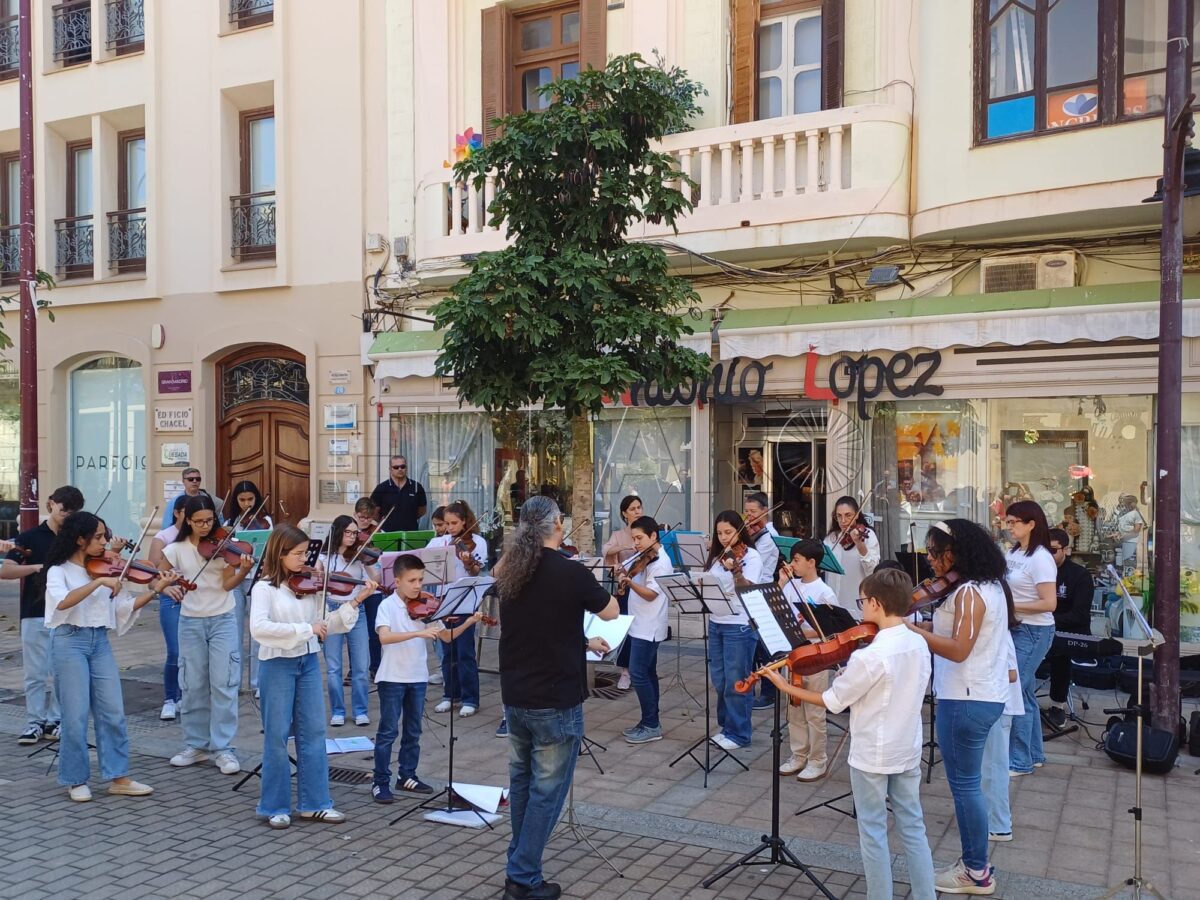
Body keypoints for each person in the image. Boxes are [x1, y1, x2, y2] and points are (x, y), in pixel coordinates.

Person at [764, 569, 936, 900]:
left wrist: (786, 686)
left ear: (875, 602)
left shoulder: (870, 655)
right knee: (913, 828)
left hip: (872, 752)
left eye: (862, 602)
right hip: (907, 746)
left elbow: (834, 701)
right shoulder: (917, 642)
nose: (861, 608)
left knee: (873, 832)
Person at [496, 496, 618, 900]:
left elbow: (540, 624)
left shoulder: (508, 569)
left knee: (523, 784)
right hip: (554, 697)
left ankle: (521, 862)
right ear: (557, 525)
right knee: (547, 792)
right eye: (562, 521)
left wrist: (580, 636)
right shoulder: (570, 571)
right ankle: (523, 874)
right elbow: (612, 611)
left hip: (515, 694)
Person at [906, 519, 1013, 895]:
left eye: (935, 552)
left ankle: (976, 871)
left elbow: (959, 648)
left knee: (966, 789)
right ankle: (974, 863)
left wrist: (914, 631)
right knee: (970, 787)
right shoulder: (989, 585)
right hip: (981, 693)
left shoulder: (968, 592)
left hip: (966, 697)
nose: (931, 560)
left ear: (956, 552)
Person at [45, 511, 180, 802]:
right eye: (99, 537)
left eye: (105, 535)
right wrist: (97, 583)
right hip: (69, 640)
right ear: (80, 540)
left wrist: (156, 590)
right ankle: (75, 779)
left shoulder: (106, 569)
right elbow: (62, 603)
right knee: (76, 715)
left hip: (99, 641)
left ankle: (118, 776)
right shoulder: (59, 571)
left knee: (113, 712)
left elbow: (123, 608)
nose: (106, 541)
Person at [249, 524, 377, 829]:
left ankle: (315, 803)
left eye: (306, 553)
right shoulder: (263, 589)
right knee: (278, 737)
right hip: (277, 664)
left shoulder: (310, 587)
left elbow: (328, 624)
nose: (305, 560)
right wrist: (305, 630)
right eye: (297, 554)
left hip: (307, 661)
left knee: (314, 734)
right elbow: (259, 629)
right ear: (279, 554)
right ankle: (274, 806)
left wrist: (355, 601)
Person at [161, 495, 255, 776]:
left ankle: (223, 748)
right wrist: (166, 587)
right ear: (187, 520)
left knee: (224, 682)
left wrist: (243, 570)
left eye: (210, 520)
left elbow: (228, 585)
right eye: (199, 521)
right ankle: (196, 745)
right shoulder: (176, 549)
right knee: (192, 683)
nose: (206, 526)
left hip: (223, 618)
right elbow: (158, 575)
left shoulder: (223, 545)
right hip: (190, 621)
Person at [2, 485, 84, 744]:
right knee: (35, 673)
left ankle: (55, 720)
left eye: (72, 513)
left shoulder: (77, 538)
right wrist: (37, 567)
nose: (67, 517)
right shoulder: (29, 537)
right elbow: (6, 571)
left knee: (61, 671)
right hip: (35, 611)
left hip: (67, 613)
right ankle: (34, 722)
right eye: (63, 511)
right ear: (51, 504)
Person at [371, 554, 452, 802]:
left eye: (421, 579)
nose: (418, 586)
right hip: (393, 676)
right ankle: (379, 781)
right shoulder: (387, 606)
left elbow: (446, 637)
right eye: (412, 580)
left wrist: (469, 620)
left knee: (413, 731)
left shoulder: (426, 605)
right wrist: (419, 634)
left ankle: (407, 775)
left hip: (418, 676)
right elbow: (384, 637)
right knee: (387, 732)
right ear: (397, 581)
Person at [1003, 500, 1058, 777]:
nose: (1009, 527)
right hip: (1017, 628)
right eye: (1008, 522)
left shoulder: (1041, 558)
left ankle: (1020, 760)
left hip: (1034, 631)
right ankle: (1034, 754)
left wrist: (1011, 606)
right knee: (1024, 692)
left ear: (1031, 524)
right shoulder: (1015, 552)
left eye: (1014, 522)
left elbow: (1049, 603)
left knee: (1015, 692)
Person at [776, 539, 837, 782]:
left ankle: (817, 759)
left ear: (812, 563)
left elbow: (830, 630)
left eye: (797, 560)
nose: (793, 565)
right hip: (792, 654)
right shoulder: (791, 586)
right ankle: (798, 754)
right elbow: (778, 610)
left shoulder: (825, 592)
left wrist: (800, 632)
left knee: (814, 712)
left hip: (814, 656)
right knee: (794, 708)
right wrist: (781, 582)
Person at [705, 510, 764, 751]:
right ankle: (726, 727)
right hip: (716, 621)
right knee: (719, 680)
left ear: (739, 530)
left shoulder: (752, 557)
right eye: (719, 533)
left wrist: (735, 570)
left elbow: (745, 588)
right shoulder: (718, 556)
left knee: (736, 680)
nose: (723, 537)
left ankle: (739, 733)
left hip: (739, 624)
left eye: (728, 532)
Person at [615, 515, 673, 745]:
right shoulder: (643, 558)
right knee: (647, 673)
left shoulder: (661, 563)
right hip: (638, 624)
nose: (636, 543)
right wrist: (622, 573)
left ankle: (651, 724)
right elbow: (627, 572)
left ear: (653, 536)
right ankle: (649, 720)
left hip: (649, 626)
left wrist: (629, 583)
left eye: (640, 538)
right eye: (634, 538)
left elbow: (651, 594)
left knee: (639, 674)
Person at [427, 499, 487, 717]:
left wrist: (467, 562)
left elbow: (475, 572)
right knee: (447, 652)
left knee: (465, 652)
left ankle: (470, 698)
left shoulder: (477, 542)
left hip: (464, 599)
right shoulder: (438, 543)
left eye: (454, 523)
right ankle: (450, 695)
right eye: (446, 523)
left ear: (464, 522)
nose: (450, 528)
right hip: (442, 599)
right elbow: (424, 566)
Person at [320, 515, 381, 727]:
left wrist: (368, 562)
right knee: (334, 666)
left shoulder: (359, 556)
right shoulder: (324, 557)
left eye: (355, 533)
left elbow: (376, 581)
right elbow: (318, 583)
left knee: (361, 666)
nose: (353, 537)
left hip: (357, 611)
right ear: (337, 532)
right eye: (348, 532)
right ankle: (337, 710)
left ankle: (360, 710)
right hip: (333, 611)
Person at [221, 480, 272, 694]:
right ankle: (234, 681)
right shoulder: (231, 521)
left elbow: (269, 548)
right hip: (236, 577)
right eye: (242, 500)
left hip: (256, 577)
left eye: (250, 499)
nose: (246, 504)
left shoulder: (265, 520)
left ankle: (257, 682)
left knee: (256, 633)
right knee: (234, 632)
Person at [1045, 527, 1094, 728]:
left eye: (1053, 550)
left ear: (1066, 550)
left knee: (1060, 651)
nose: (1047, 555)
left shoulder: (1080, 575)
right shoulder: (1037, 570)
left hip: (1072, 630)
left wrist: (1047, 619)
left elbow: (1080, 614)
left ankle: (1057, 705)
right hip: (1042, 625)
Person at [149, 493, 190, 719]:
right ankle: (170, 698)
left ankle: (187, 695)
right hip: (171, 596)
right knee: (175, 651)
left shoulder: (199, 538)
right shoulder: (163, 538)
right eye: (189, 513)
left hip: (195, 596)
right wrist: (165, 588)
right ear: (177, 513)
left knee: (192, 653)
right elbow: (151, 577)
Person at [980, 635, 1021, 844]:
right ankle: (990, 819)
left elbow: (1011, 674)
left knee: (994, 767)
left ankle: (998, 825)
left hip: (998, 704)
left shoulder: (1000, 631)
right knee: (987, 767)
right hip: (992, 703)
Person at [601, 495, 642, 690]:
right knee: (626, 628)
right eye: (633, 509)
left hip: (644, 588)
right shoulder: (619, 535)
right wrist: (626, 546)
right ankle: (625, 671)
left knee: (643, 630)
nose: (637, 512)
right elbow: (606, 551)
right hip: (626, 586)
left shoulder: (647, 531)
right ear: (625, 514)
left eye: (639, 508)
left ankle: (641, 668)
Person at [743, 491, 780, 710]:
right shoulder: (753, 533)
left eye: (753, 512)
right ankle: (754, 683)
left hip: (763, 592)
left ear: (765, 511)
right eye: (746, 512)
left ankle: (770, 691)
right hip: (750, 592)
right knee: (755, 644)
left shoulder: (769, 537)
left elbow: (752, 559)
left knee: (764, 645)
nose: (748, 517)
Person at [823, 496, 880, 620]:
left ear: (857, 514)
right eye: (839, 516)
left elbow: (872, 569)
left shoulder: (868, 536)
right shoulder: (831, 538)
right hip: (834, 604)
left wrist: (859, 544)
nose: (843, 520)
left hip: (856, 604)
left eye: (848, 515)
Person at [353, 497, 391, 679]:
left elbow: (382, 563)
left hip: (374, 588)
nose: (365, 521)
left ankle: (375, 666)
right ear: (355, 515)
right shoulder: (349, 533)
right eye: (361, 517)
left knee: (373, 630)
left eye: (368, 518)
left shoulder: (379, 534)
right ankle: (354, 668)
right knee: (353, 631)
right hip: (353, 589)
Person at [369, 454, 427, 531]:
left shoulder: (417, 487)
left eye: (403, 466)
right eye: (396, 467)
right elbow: (373, 511)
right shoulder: (381, 488)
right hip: (387, 533)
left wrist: (408, 519)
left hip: (410, 532)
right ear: (390, 469)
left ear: (406, 468)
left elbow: (422, 510)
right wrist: (385, 522)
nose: (400, 469)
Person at [1114, 494, 1143, 566]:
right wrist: (1117, 534)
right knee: (1123, 563)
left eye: (1126, 503)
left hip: (1131, 542)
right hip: (1124, 542)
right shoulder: (1125, 514)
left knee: (1129, 563)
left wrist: (1123, 536)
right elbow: (1123, 528)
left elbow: (1136, 530)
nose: (1124, 505)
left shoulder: (1136, 514)